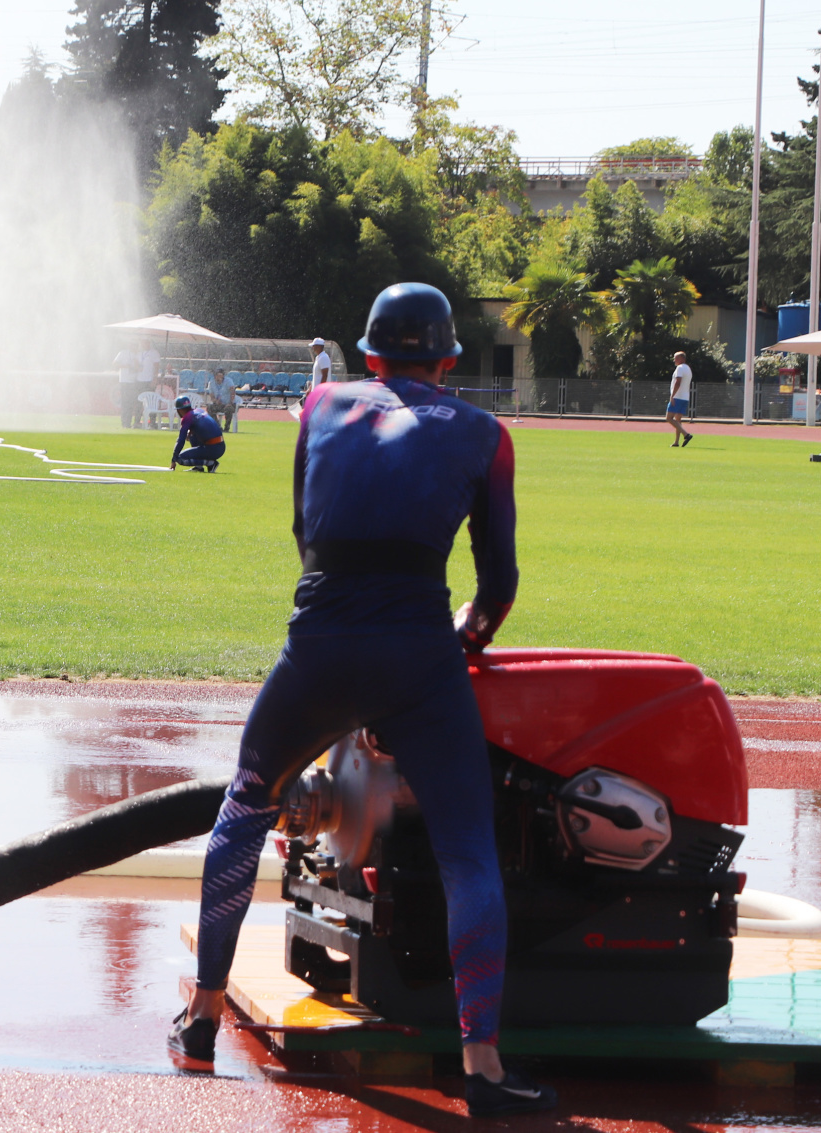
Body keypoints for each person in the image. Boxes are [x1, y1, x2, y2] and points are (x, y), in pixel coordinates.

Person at [168, 282, 554, 1118]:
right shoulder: (486, 435)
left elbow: (307, 535)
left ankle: (200, 1017)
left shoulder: (318, 406)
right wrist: (467, 636)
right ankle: (481, 1064)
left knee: (243, 806)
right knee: (467, 851)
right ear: (449, 357)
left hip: (320, 644)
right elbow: (499, 585)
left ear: (368, 352)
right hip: (420, 652)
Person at [169, 395, 225, 472]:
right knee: (191, 434)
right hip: (220, 446)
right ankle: (199, 467)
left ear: (180, 410)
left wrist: (174, 459)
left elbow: (181, 440)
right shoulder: (199, 410)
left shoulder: (187, 417)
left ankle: (211, 463)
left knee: (180, 458)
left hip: (213, 448)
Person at [666, 351, 694, 447]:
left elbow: (678, 382)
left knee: (669, 418)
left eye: (676, 358)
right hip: (685, 397)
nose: (674, 360)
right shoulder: (688, 369)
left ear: (682, 358)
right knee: (678, 420)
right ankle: (676, 442)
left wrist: (672, 395)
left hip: (677, 397)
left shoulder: (680, 368)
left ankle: (686, 434)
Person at [114, 343, 143, 429]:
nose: (134, 347)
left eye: (135, 345)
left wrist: (136, 366)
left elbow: (140, 367)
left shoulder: (138, 354)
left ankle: (130, 422)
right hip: (124, 381)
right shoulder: (123, 353)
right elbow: (115, 364)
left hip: (134, 381)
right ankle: (124, 423)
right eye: (132, 345)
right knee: (125, 403)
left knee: (132, 403)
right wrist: (126, 366)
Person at [205, 367, 238, 431]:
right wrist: (215, 401)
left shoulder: (228, 381)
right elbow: (212, 396)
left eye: (220, 375)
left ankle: (227, 427)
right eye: (217, 375)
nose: (219, 377)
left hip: (229, 404)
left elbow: (233, 392)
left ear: (223, 376)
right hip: (220, 404)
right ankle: (217, 426)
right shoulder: (211, 383)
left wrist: (230, 403)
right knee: (209, 408)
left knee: (228, 409)